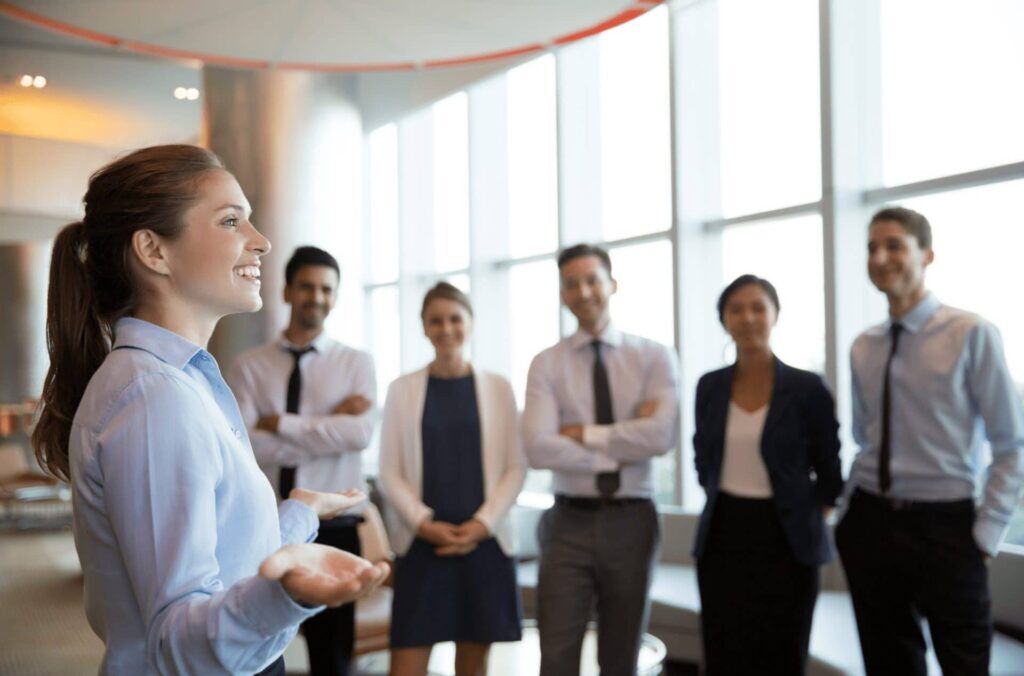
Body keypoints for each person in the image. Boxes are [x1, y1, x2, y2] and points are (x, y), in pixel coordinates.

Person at [31, 145, 388, 675]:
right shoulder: (155, 397)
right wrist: (285, 598)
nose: (262, 241)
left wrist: (300, 513)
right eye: (230, 221)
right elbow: (179, 641)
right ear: (154, 251)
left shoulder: (177, 382)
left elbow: (227, 563)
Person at [836, 206, 1024, 675]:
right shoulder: (864, 345)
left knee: (964, 664)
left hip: (948, 530)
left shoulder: (971, 333)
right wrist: (847, 517)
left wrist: (984, 535)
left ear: (928, 254)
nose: (880, 256)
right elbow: (865, 439)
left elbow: (1010, 442)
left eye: (895, 245)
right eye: (872, 247)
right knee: (888, 664)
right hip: (871, 522)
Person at [523, 244, 679, 676]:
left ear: (612, 284)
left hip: (633, 520)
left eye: (592, 280)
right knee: (555, 655)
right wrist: (623, 446)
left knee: (620, 657)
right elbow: (538, 449)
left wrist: (583, 435)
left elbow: (661, 436)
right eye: (571, 284)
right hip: (567, 522)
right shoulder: (547, 364)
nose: (583, 291)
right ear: (562, 294)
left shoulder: (653, 357)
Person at [228, 245, 376, 676]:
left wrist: (285, 424)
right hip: (264, 521)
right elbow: (246, 447)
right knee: (258, 642)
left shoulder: (356, 364)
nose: (317, 297)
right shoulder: (249, 367)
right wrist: (328, 426)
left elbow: (360, 434)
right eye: (307, 287)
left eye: (327, 289)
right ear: (287, 291)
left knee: (333, 657)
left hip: (336, 524)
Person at [691, 274, 842, 675]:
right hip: (723, 533)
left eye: (758, 307)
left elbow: (830, 468)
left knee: (782, 653)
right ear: (724, 319)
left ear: (775, 315)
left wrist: (811, 513)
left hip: (788, 537)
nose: (748, 317)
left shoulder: (807, 388)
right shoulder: (709, 386)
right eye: (736, 309)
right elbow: (702, 456)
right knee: (725, 651)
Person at [379, 282, 525, 676]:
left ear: (470, 323)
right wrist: (424, 524)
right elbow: (389, 471)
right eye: (435, 320)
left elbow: (516, 467)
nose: (446, 328)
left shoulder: (499, 388)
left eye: (455, 318)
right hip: (423, 545)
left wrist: (482, 524)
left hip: (485, 545)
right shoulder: (401, 389)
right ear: (424, 327)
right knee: (406, 665)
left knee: (473, 668)